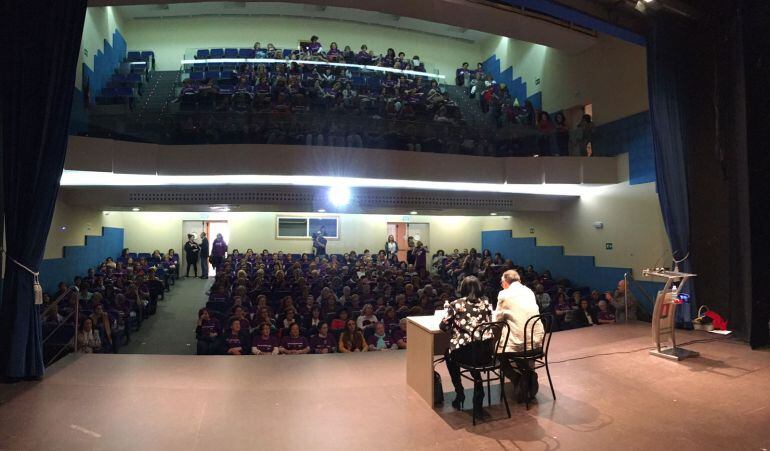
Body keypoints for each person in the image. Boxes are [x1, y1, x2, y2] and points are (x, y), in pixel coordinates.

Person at [440, 276, 492, 415]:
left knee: (449, 354)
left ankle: (460, 392)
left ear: (462, 288)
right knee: (474, 350)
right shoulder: (486, 303)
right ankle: (478, 386)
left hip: (468, 354)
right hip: (487, 353)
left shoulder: (456, 304)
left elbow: (443, 327)